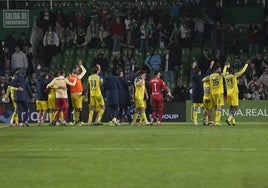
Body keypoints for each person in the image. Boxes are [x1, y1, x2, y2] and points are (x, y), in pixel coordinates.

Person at [223, 61, 249, 125]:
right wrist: (246, 64)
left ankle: (233, 122)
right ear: (232, 71)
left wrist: (226, 66)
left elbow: (223, 72)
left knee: (231, 107)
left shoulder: (226, 76)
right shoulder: (234, 75)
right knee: (235, 107)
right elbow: (242, 71)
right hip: (234, 93)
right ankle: (229, 119)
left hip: (228, 93)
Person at [68, 59, 87, 125]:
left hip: (72, 94)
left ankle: (73, 120)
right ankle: (80, 121)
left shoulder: (70, 77)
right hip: (78, 95)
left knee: (74, 108)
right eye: (78, 70)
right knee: (79, 108)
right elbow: (85, 71)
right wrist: (81, 65)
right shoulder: (78, 77)